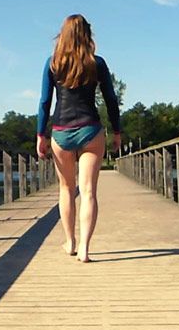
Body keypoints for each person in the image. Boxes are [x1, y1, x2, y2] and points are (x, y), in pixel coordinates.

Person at [36, 14, 121, 263]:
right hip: (90, 130)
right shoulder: (97, 63)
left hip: (61, 132)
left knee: (66, 189)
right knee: (88, 192)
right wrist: (117, 131)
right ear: (87, 34)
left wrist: (41, 134)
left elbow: (44, 102)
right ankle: (84, 248)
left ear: (63, 34)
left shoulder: (52, 63)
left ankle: (70, 242)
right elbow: (111, 101)